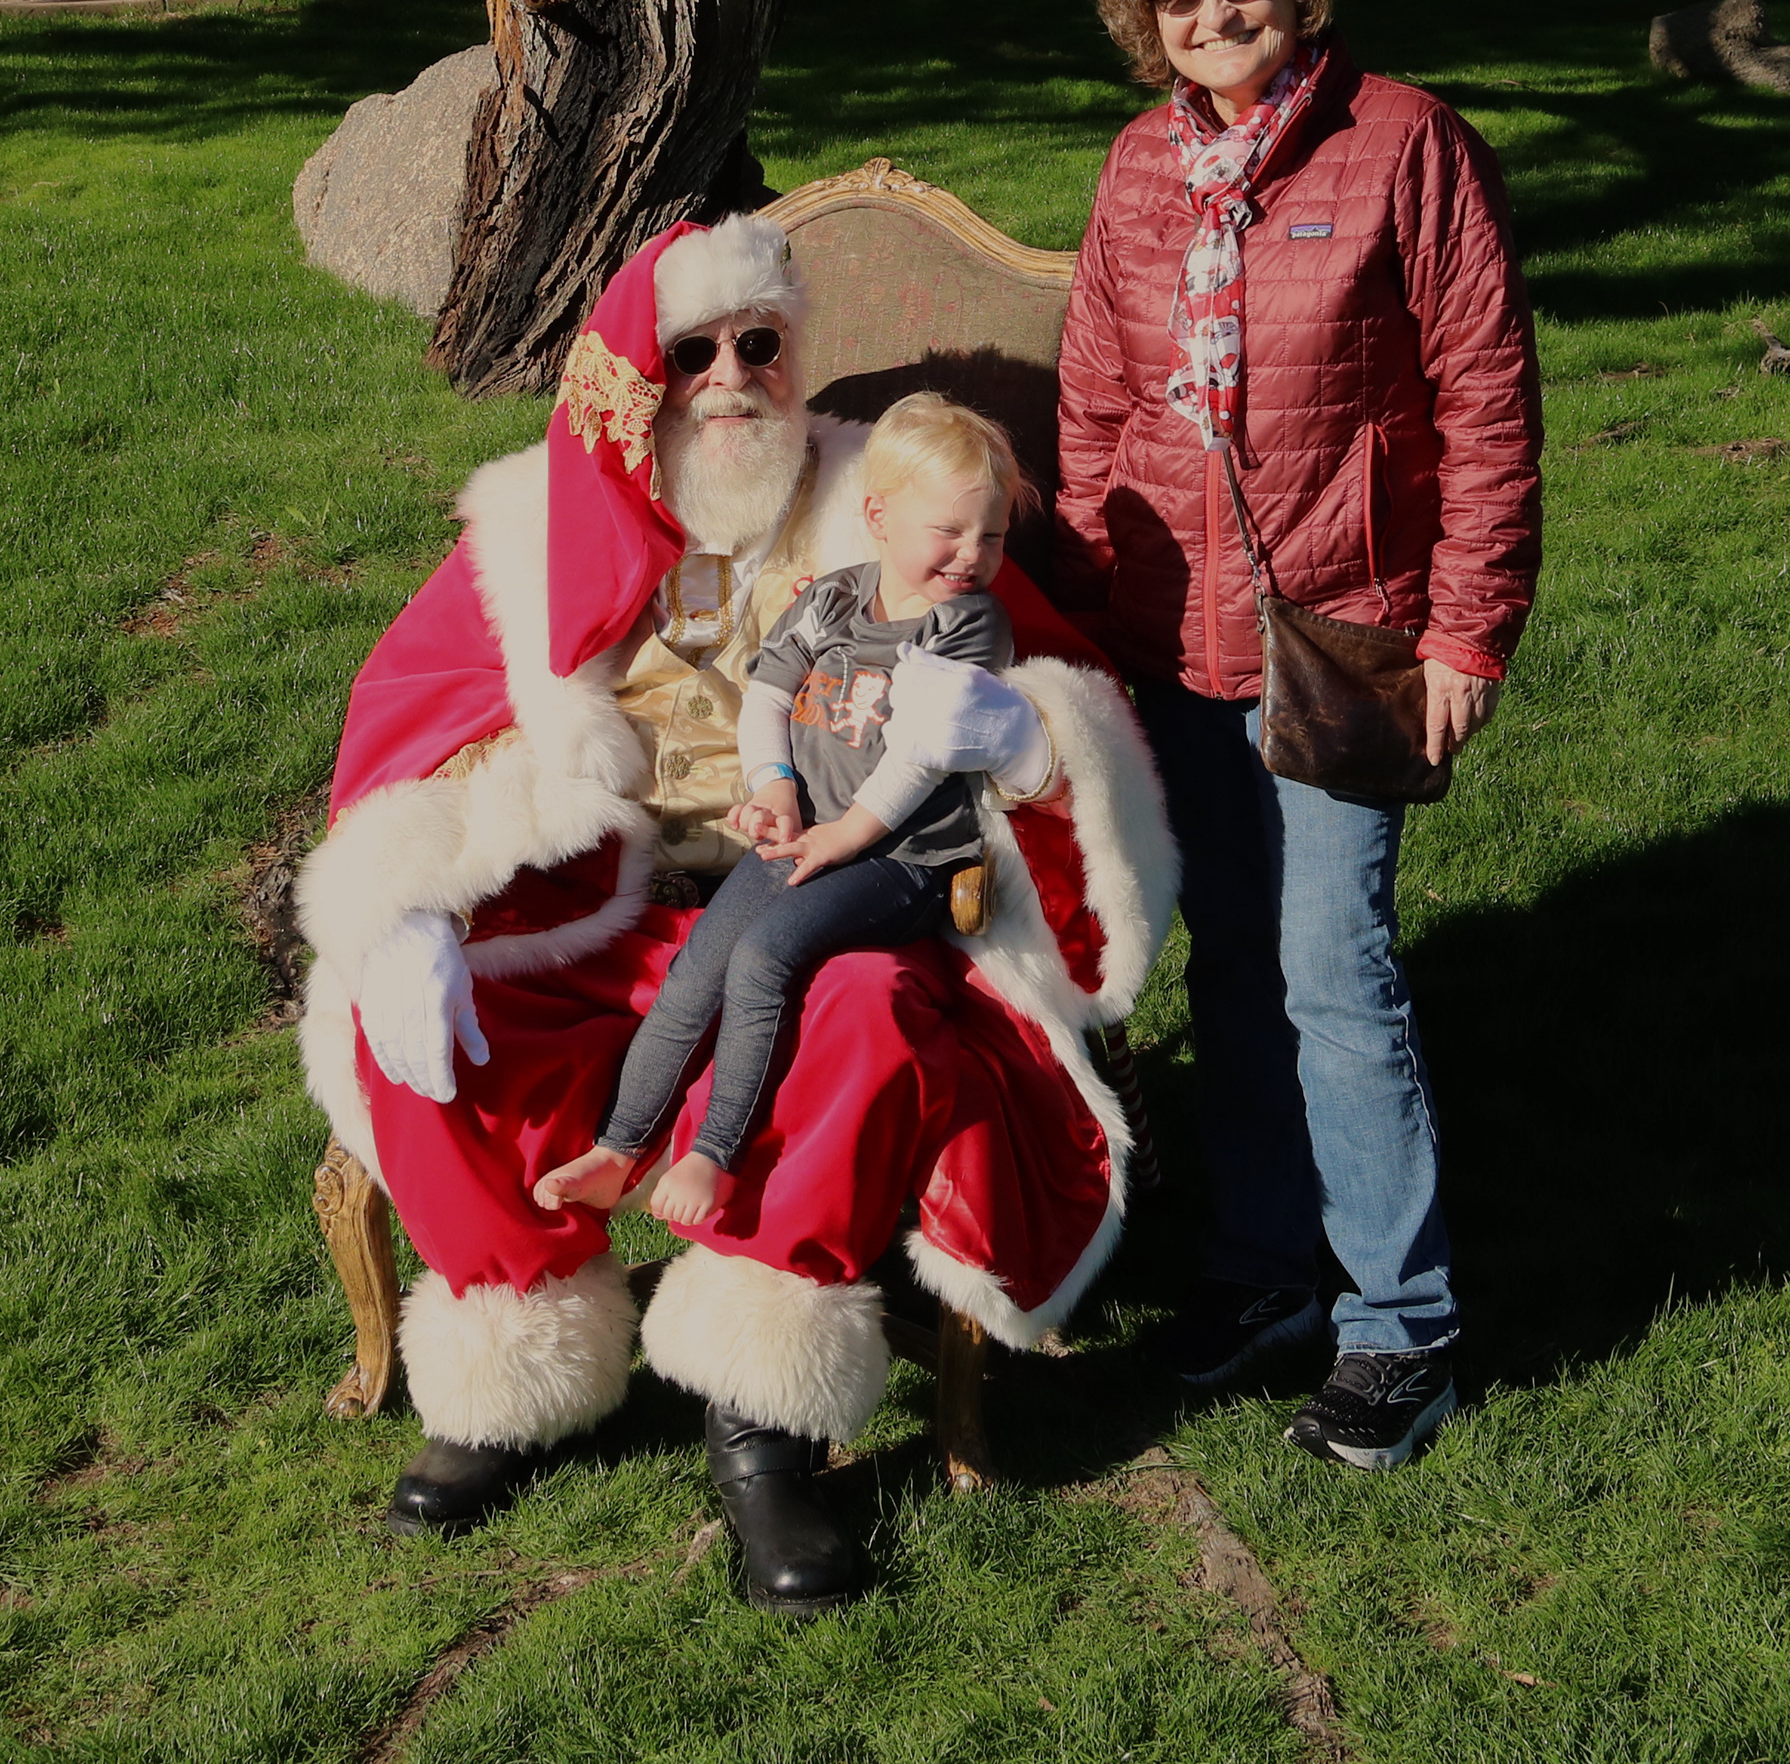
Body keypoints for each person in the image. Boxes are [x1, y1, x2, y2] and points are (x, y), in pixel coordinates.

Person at [298, 215, 1177, 1606]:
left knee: (870, 1008)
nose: (726, 377)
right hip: (612, 908)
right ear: (632, 378)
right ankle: (507, 1366)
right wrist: (401, 901)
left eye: (757, 344)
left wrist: (1018, 741)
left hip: (832, 890)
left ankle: (762, 1418)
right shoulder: (534, 527)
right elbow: (415, 716)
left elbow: (1051, 686)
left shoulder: (880, 503)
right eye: (689, 352)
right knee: (412, 1007)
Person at [1055, 0, 1541, 1470]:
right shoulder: (1139, 166)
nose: (1213, 17)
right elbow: (1094, 405)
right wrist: (1091, 611)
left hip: (1344, 630)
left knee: (1337, 975)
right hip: (1169, 636)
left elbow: (1485, 398)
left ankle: (1403, 1327)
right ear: (1146, 19)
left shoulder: (1405, 142)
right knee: (1235, 968)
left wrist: (1465, 628)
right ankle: (1268, 1265)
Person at [534, 392, 1029, 1227]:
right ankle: (619, 1148)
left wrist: (846, 836)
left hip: (904, 858)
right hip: (812, 833)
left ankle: (717, 1153)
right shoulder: (834, 600)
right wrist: (774, 787)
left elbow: (923, 751)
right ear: (878, 516)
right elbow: (768, 694)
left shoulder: (967, 627)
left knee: (764, 957)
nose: (971, 555)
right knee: (701, 964)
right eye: (949, 531)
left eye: (993, 536)